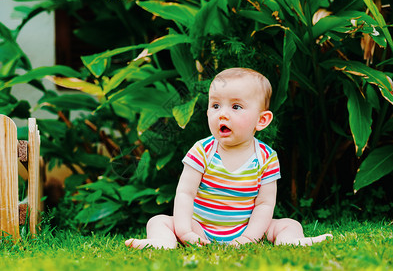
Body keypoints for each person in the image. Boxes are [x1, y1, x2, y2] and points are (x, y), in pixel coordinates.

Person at [125, 67, 332, 249]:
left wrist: (249, 237)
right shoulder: (202, 151)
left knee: (289, 224)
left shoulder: (266, 158)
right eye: (215, 106)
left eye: (236, 107)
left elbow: (264, 205)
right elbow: (186, 193)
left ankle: (292, 240)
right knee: (158, 221)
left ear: (261, 120)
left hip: (245, 228)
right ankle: (162, 242)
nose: (222, 114)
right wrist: (185, 231)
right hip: (200, 228)